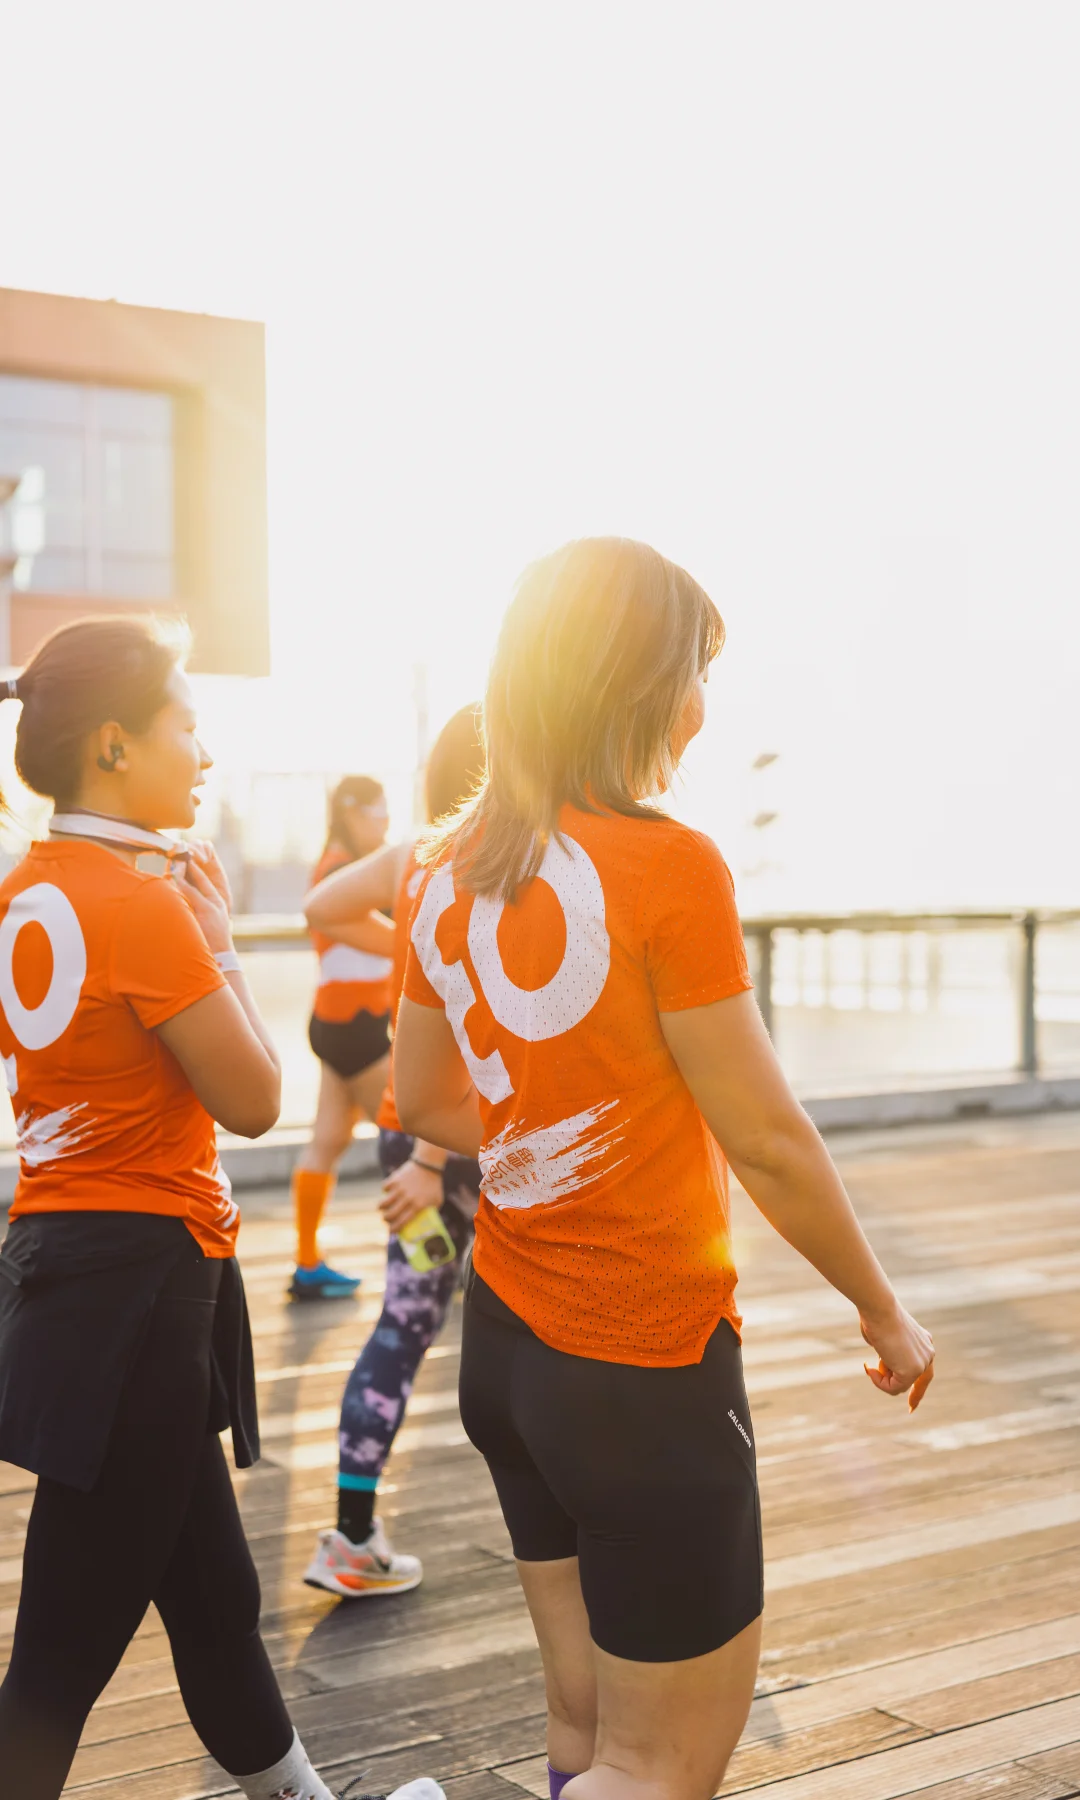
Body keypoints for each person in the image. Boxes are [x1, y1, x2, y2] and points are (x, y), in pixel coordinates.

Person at [391, 539, 936, 1800]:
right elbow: (766, 1139)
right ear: (634, 683)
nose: (702, 709)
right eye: (694, 674)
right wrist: (883, 1309)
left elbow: (424, 1098)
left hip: (510, 1354)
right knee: (658, 1768)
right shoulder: (667, 865)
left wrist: (552, 1119)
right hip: (641, 1367)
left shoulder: (439, 868)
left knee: (584, 1738)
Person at [0, 616, 445, 1800]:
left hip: (73, 1276)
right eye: (185, 724)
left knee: (214, 1604)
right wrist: (217, 942)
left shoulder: (25, 893)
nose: (204, 752)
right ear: (111, 746)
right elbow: (253, 1098)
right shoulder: (142, 904)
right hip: (144, 1293)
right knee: (56, 1662)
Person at [301, 706, 486, 1598]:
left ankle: (349, 1534)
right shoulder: (509, 857)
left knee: (408, 1321)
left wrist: (401, 939)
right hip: (460, 1149)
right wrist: (432, 1160)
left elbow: (322, 905)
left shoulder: (417, 853)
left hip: (406, 1130)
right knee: (517, 1319)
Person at [291, 774, 393, 1300]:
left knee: (327, 1142)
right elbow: (397, 944)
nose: (387, 823)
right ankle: (431, 1259)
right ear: (353, 813)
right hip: (356, 1030)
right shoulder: (345, 872)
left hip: (337, 1026)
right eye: (379, 813)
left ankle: (308, 1264)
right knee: (411, 1146)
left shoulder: (335, 866)